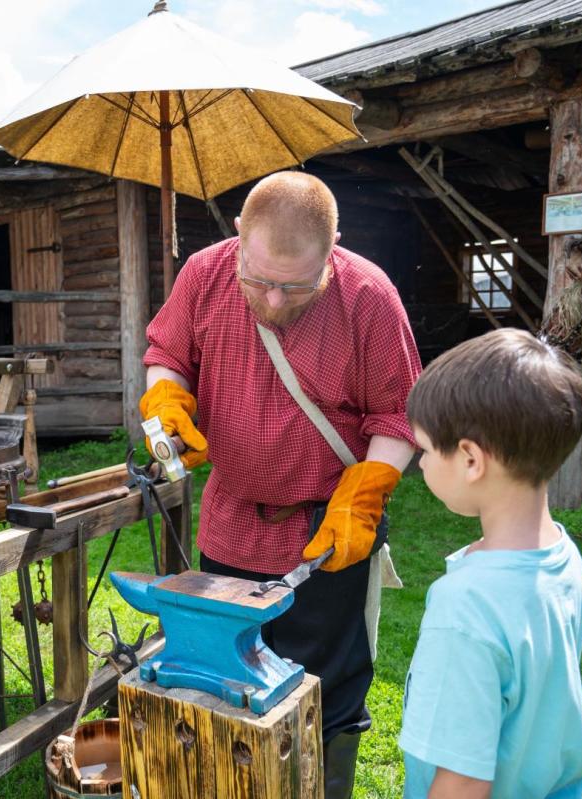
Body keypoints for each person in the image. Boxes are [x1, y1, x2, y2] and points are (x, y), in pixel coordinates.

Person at [140, 171, 420, 797]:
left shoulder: (369, 296)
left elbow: (399, 413)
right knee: (217, 684)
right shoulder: (204, 275)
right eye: (259, 280)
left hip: (326, 536)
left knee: (325, 691)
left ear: (333, 247)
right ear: (238, 234)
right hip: (230, 522)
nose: (272, 301)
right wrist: (165, 395)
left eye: (294, 286)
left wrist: (367, 490)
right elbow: (169, 352)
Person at [399, 328, 582, 798]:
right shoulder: (564, 558)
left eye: (424, 450)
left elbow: (463, 782)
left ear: (470, 459)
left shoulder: (464, 608)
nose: (420, 464)